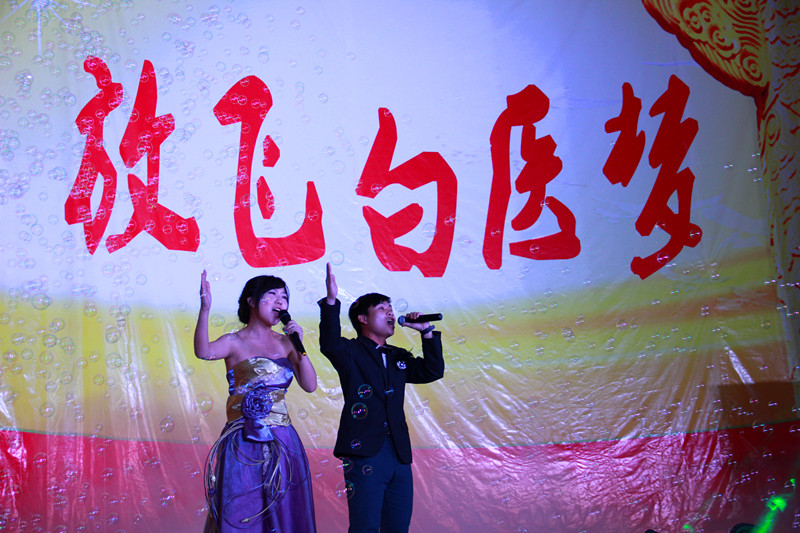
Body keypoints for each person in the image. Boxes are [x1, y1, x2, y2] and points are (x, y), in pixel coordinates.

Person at [317, 262, 445, 533]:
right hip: (365, 451)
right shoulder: (350, 351)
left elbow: (432, 371)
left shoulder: (398, 356)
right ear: (363, 319)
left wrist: (426, 331)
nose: (390, 313)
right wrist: (330, 301)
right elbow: (329, 343)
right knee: (365, 527)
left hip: (398, 452)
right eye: (382, 308)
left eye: (391, 309)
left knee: (397, 527)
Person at [194, 270, 318, 533]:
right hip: (243, 438)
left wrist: (300, 346)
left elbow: (310, 385)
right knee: (243, 506)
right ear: (251, 301)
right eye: (271, 294)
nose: (280, 301)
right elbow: (203, 351)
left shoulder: (287, 343)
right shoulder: (233, 341)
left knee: (283, 507)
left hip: (282, 438)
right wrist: (205, 309)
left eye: (284, 296)